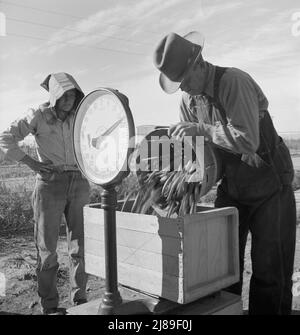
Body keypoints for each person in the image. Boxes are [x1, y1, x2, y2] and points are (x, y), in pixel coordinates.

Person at [153, 32, 296, 315]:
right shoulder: (188, 102)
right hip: (233, 185)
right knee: (221, 269)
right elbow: (199, 154)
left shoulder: (233, 82)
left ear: (199, 64)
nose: (183, 89)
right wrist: (189, 180)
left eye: (185, 81)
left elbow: (247, 141)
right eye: (178, 85)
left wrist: (202, 130)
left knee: (270, 270)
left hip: (269, 182)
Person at [0, 72, 90, 315]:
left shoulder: (80, 116)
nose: (70, 99)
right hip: (50, 185)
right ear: (54, 96)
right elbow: (5, 139)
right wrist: (31, 162)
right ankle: (49, 305)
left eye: (73, 94)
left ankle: (81, 300)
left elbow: (90, 142)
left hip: (79, 181)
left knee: (80, 246)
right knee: (47, 249)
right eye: (65, 94)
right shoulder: (37, 115)